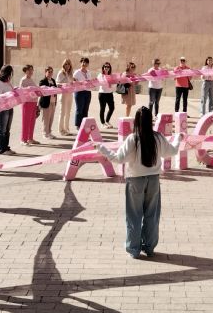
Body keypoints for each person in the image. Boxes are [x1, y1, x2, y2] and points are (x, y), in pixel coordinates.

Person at [95, 106, 183, 258]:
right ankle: (149, 247)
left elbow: (118, 159)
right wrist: (178, 139)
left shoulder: (133, 139)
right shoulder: (158, 137)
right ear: (151, 121)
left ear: (136, 122)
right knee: (152, 215)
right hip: (154, 180)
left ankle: (134, 249)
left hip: (135, 181)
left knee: (134, 215)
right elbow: (173, 151)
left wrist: (102, 148)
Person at [0, 65, 16, 155]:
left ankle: (6, 147)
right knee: (2, 130)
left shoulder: (8, 82)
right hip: (3, 109)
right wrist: (10, 95)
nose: (10, 75)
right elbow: (0, 96)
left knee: (7, 129)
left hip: (10, 107)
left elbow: (12, 91)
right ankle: (2, 149)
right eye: (10, 73)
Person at [20, 65, 39, 146]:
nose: (31, 72)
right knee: (26, 122)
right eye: (29, 70)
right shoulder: (23, 80)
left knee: (32, 121)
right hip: (27, 103)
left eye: (32, 70)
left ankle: (30, 138)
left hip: (33, 103)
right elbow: (22, 92)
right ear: (26, 71)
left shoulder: (31, 79)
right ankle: (23, 139)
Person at [73, 57, 92, 130]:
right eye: (83, 62)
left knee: (86, 109)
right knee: (79, 109)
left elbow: (90, 81)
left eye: (86, 62)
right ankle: (78, 125)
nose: (84, 64)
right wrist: (80, 84)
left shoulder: (88, 72)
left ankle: (84, 124)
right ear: (81, 63)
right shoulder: (77, 72)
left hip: (87, 92)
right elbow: (73, 82)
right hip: (79, 92)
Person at [39, 66, 58, 139]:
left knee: (51, 118)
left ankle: (49, 132)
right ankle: (45, 133)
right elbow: (42, 90)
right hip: (46, 102)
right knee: (46, 118)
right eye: (49, 72)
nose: (50, 73)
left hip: (53, 101)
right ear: (45, 72)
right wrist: (50, 88)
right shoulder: (42, 81)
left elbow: (56, 89)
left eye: (51, 72)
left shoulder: (53, 80)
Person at [56, 59, 74, 135]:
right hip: (63, 94)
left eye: (68, 64)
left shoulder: (70, 74)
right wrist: (64, 85)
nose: (67, 66)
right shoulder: (61, 73)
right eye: (66, 64)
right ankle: (61, 130)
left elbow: (72, 83)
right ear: (63, 65)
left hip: (70, 94)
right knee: (62, 112)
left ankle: (66, 129)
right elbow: (57, 83)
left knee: (68, 112)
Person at [97, 62, 115, 128]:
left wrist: (112, 84)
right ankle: (102, 123)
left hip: (110, 93)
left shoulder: (111, 75)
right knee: (103, 109)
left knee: (112, 108)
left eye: (108, 67)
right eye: (105, 66)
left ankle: (107, 121)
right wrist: (108, 82)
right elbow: (101, 83)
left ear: (110, 68)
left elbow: (113, 85)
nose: (106, 68)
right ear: (103, 68)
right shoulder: (100, 75)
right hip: (102, 94)